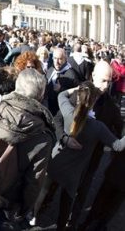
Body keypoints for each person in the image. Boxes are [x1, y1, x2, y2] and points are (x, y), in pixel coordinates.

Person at [41, 82, 125, 231]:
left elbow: (61, 96)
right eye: (104, 80)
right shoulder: (98, 126)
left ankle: (33, 216)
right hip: (75, 173)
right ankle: (61, 225)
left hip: (61, 163)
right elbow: (118, 145)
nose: (107, 84)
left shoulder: (70, 111)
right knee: (65, 202)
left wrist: (73, 88)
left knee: (44, 189)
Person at [0, 69, 55, 230]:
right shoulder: (43, 136)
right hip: (12, 196)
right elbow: (35, 180)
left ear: (17, 87)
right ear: (41, 95)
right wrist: (25, 208)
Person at [45, 48, 80, 115]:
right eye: (55, 58)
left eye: (60, 59)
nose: (57, 62)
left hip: (61, 112)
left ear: (65, 59)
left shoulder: (71, 75)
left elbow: (76, 94)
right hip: (49, 109)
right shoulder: (50, 70)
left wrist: (61, 89)